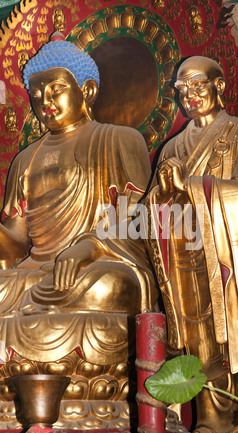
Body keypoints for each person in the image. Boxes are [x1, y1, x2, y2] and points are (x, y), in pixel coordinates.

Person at [143, 56, 238, 433]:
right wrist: (162, 196)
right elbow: (150, 213)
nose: (190, 96)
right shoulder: (173, 146)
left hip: (229, 263)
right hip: (187, 270)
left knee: (237, 338)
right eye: (182, 90)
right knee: (199, 347)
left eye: (199, 85)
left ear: (219, 86)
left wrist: (195, 185)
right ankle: (205, 426)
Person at [0, 33, 157, 363]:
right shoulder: (25, 160)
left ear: (86, 91)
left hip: (95, 267)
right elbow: (16, 238)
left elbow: (137, 220)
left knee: (111, 287)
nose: (45, 101)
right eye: (37, 94)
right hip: (35, 274)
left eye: (56, 89)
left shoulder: (120, 140)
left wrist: (89, 248)